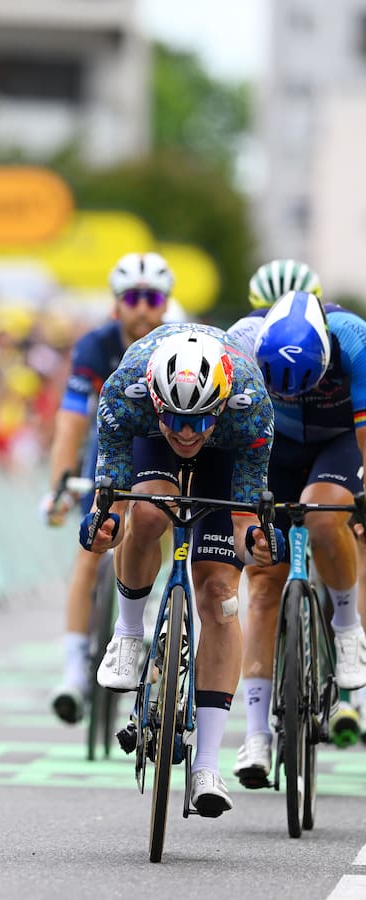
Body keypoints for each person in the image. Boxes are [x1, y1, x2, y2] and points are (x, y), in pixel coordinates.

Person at [81, 324, 282, 817]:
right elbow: (110, 495)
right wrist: (103, 523)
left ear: (220, 404)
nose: (188, 433)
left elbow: (243, 519)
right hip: (148, 441)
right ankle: (128, 634)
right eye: (177, 419)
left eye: (198, 421)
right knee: (147, 512)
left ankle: (207, 765)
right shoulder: (125, 392)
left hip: (228, 452)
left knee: (218, 591)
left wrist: (255, 541)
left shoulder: (250, 405)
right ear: (155, 399)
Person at [222, 290, 366, 786]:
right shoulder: (240, 341)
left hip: (338, 442)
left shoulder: (355, 340)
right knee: (262, 582)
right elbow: (227, 434)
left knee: (326, 520)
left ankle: (347, 629)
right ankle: (257, 733)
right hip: (272, 446)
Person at [43, 252, 173, 724]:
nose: (142, 308)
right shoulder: (95, 346)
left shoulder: (176, 340)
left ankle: (162, 631)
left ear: (166, 304)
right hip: (111, 445)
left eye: (152, 298)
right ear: (116, 304)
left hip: (167, 447)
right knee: (89, 551)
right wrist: (60, 481)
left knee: (161, 535)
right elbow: (72, 421)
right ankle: (74, 671)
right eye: (131, 298)